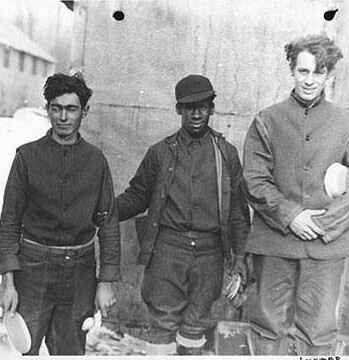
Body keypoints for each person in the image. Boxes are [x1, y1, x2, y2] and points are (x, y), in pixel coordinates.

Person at [115, 75, 251, 355]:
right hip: (168, 250)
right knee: (162, 325)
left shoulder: (226, 154)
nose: (198, 113)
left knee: (196, 324)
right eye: (190, 107)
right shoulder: (160, 153)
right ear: (179, 109)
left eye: (203, 106)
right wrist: (101, 211)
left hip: (210, 253)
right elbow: (137, 196)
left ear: (212, 108)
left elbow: (238, 212)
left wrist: (240, 260)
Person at [242, 34, 349, 356]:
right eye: (303, 71)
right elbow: (254, 180)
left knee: (320, 332)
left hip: (327, 245)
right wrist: (291, 215)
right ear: (291, 71)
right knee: (268, 326)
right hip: (275, 242)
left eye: (318, 72)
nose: (310, 80)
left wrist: (323, 224)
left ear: (329, 75)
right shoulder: (266, 121)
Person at [0, 73, 121, 355]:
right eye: (56, 108)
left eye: (71, 109)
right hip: (32, 270)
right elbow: (8, 222)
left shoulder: (96, 161)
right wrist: (8, 282)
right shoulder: (27, 157)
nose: (63, 117)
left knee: (69, 351)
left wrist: (106, 282)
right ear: (47, 109)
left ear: (84, 112)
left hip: (79, 273)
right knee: (23, 348)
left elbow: (109, 224)